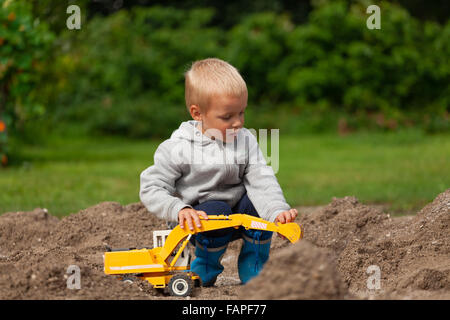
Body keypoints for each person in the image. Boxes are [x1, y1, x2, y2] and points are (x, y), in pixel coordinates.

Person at [140, 58, 298, 286]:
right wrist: (179, 209)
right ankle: (205, 265)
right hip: (201, 220)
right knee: (216, 208)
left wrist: (276, 212)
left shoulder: (245, 140)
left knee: (255, 204)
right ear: (197, 113)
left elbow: (261, 178)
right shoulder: (178, 147)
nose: (238, 123)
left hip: (239, 216)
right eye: (227, 117)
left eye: (241, 113)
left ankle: (255, 270)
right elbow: (151, 187)